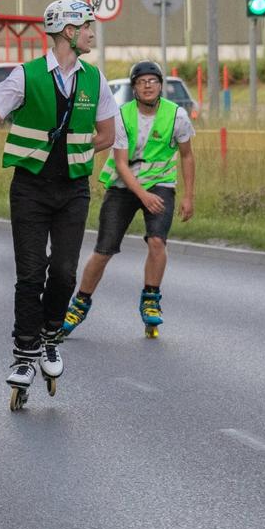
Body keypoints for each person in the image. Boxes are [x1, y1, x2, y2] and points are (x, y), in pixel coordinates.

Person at [0, 0, 116, 409]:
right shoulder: (25, 76)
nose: (94, 33)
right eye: (87, 26)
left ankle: (51, 336)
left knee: (63, 272)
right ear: (68, 32)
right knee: (31, 273)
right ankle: (24, 356)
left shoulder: (96, 80)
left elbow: (107, 136)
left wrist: (71, 155)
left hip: (73, 191)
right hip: (30, 190)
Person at [62, 61, 196, 340]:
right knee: (104, 249)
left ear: (161, 86)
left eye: (153, 81)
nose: (148, 85)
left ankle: (151, 297)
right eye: (141, 81)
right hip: (125, 186)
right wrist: (143, 196)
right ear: (134, 87)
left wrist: (188, 196)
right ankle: (79, 304)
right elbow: (121, 164)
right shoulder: (121, 116)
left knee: (157, 240)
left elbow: (186, 155)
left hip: (160, 184)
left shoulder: (177, 115)